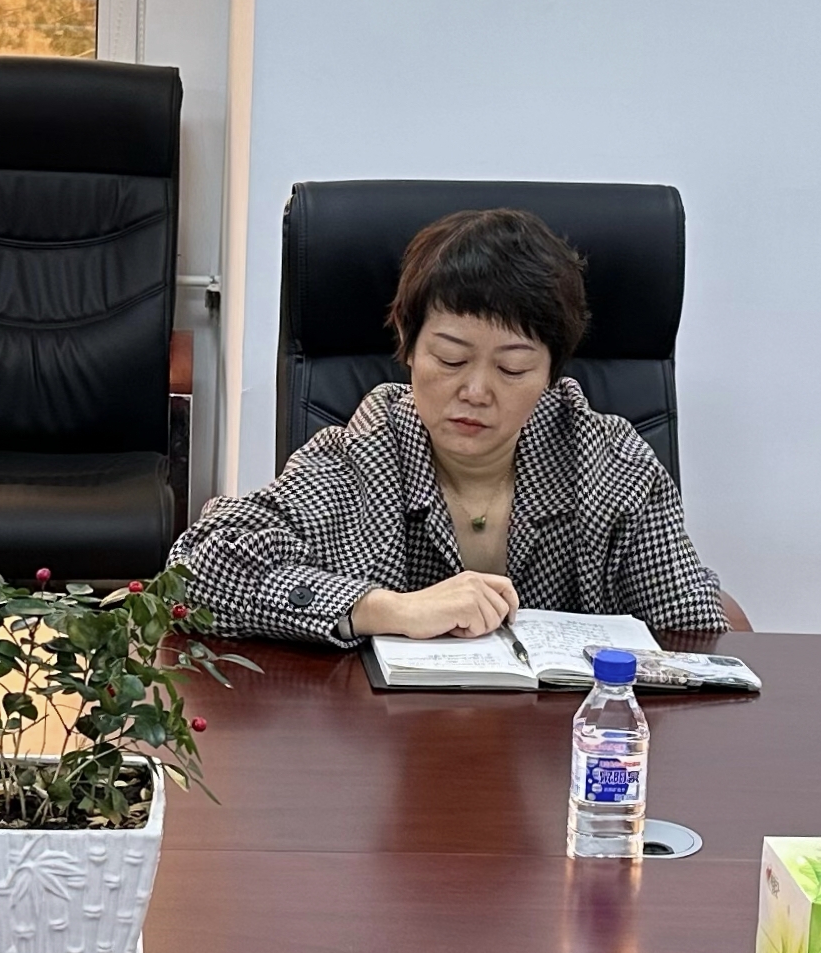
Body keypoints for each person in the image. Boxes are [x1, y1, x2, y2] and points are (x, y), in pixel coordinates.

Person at [171, 208, 743, 643]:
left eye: (512, 368)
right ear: (409, 346)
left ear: (551, 373)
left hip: (563, 749)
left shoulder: (610, 463)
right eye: (450, 359)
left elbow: (692, 632)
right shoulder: (364, 454)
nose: (475, 392)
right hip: (391, 745)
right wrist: (385, 609)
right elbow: (195, 572)